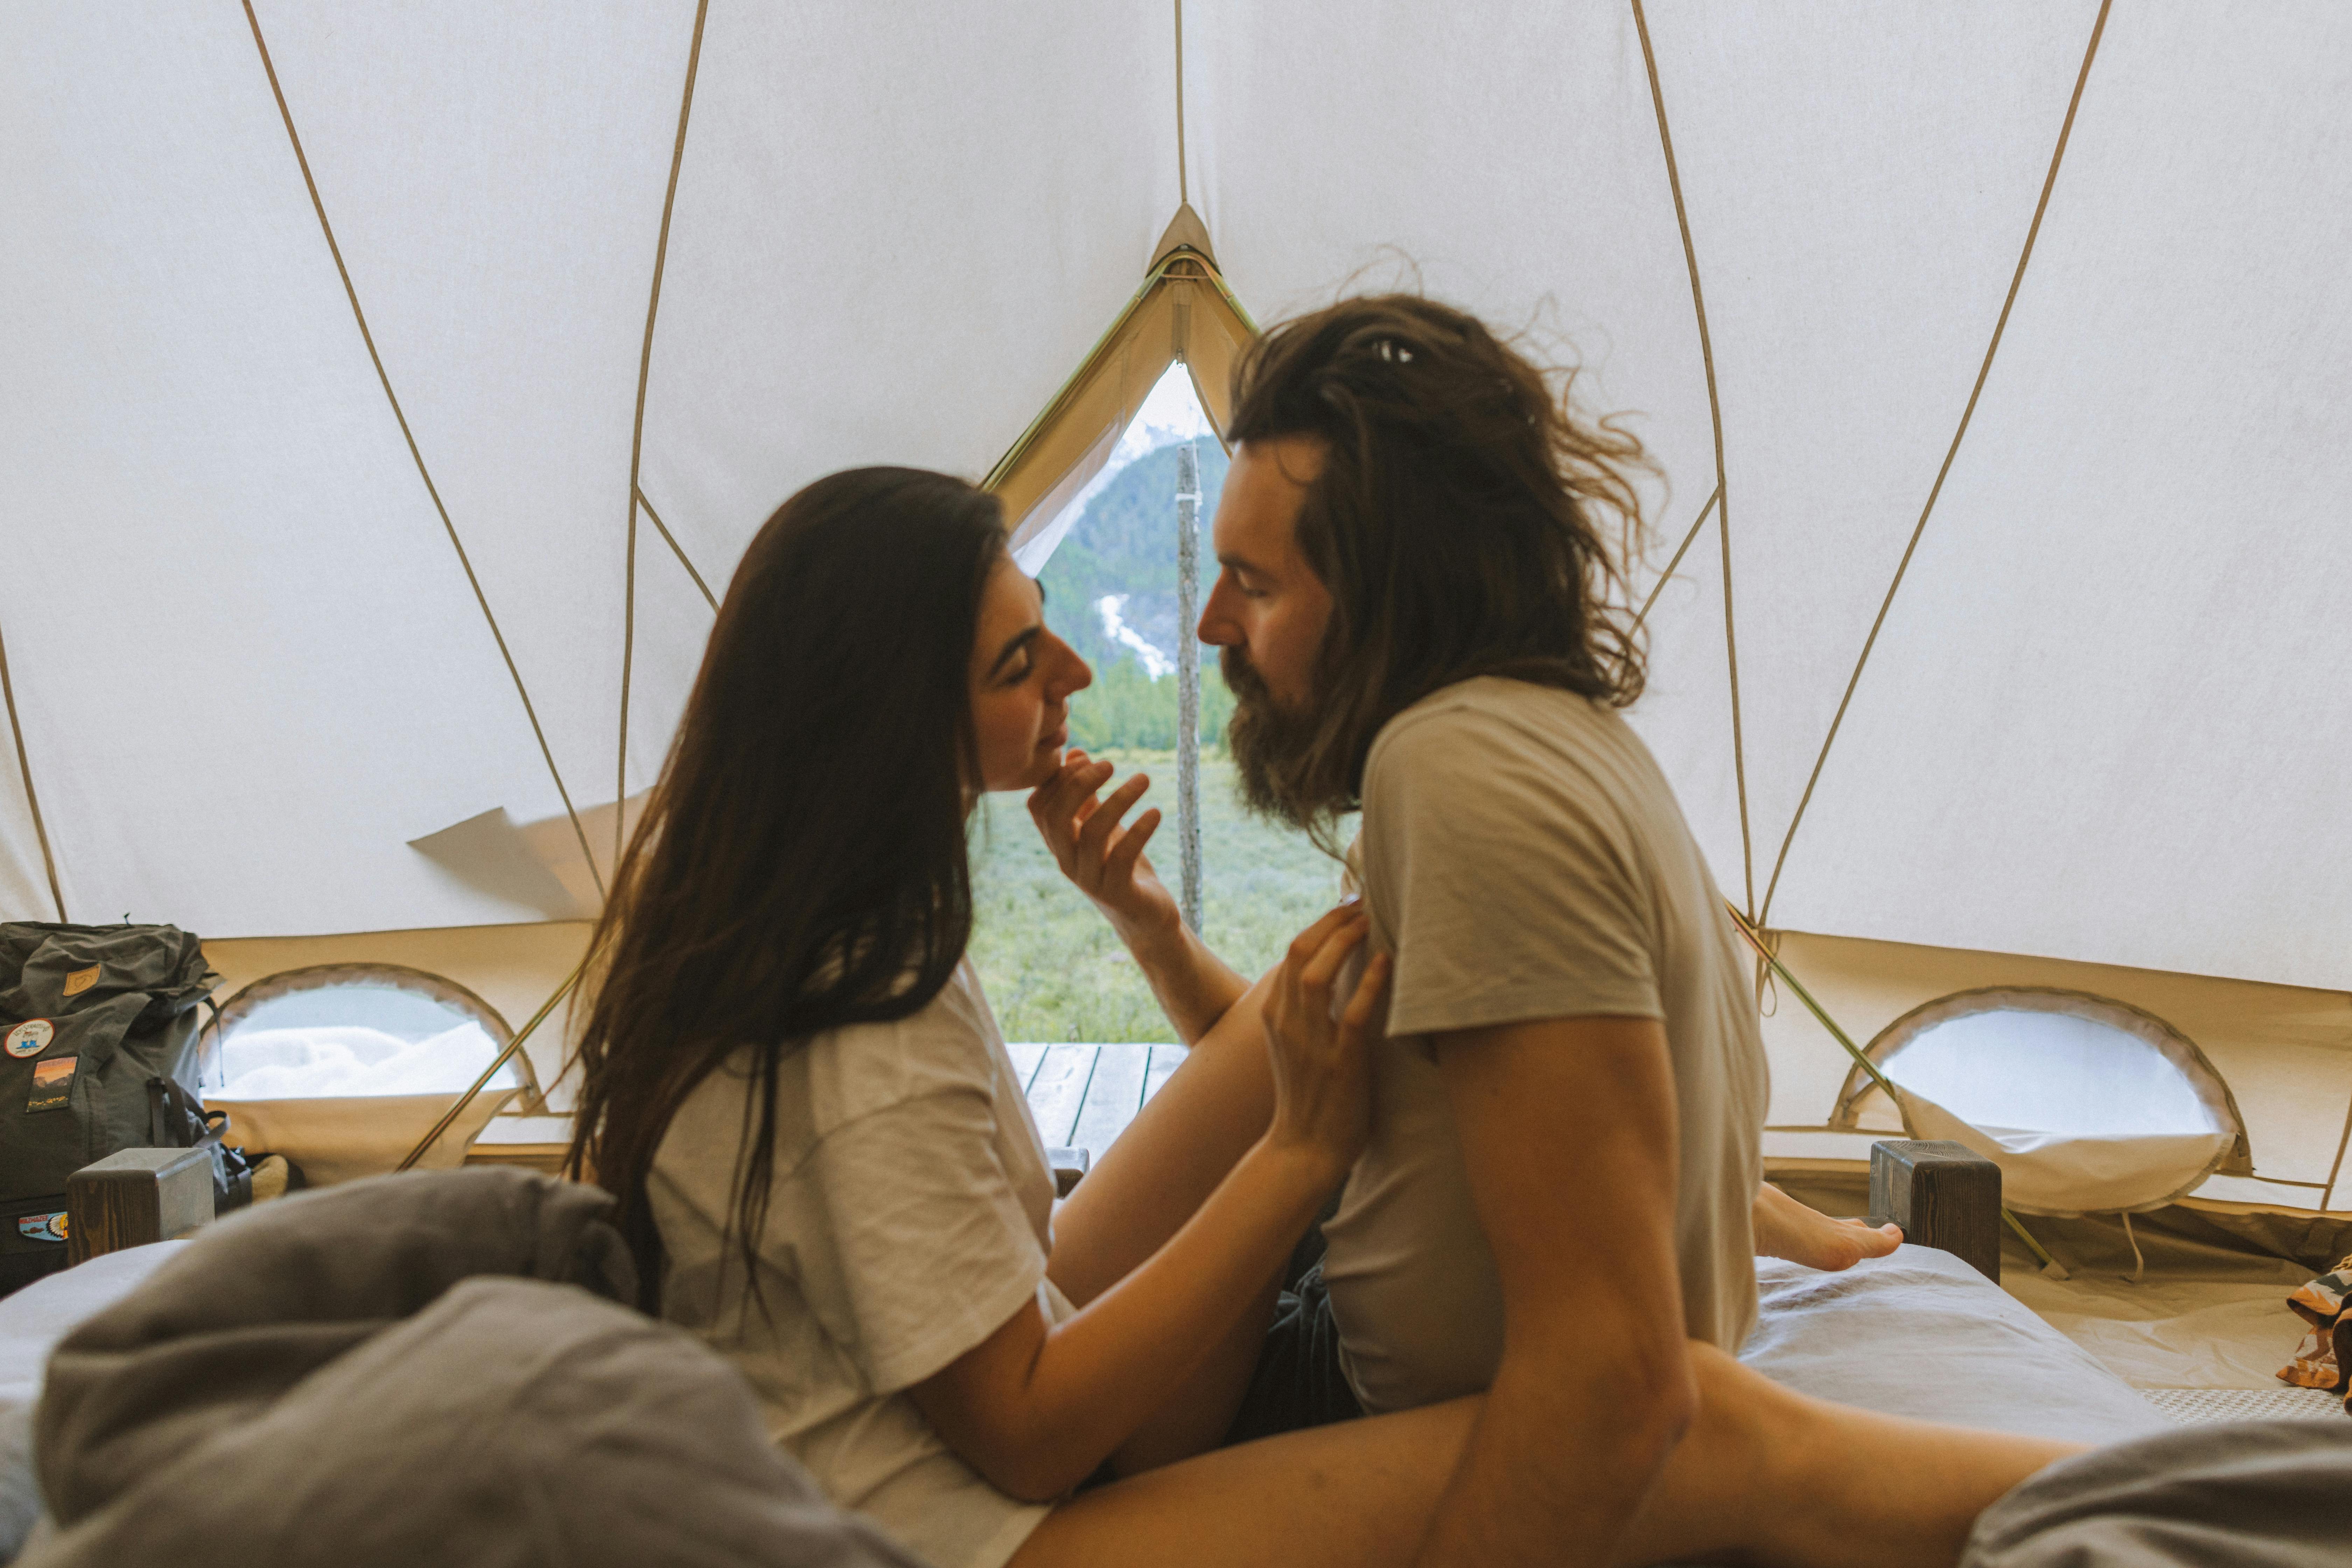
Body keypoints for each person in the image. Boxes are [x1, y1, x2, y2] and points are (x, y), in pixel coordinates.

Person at [567, 465, 2074, 1568]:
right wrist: (1299, 1154)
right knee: (1702, 1425)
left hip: (967, 1398)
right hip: (963, 1528)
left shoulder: (837, 921)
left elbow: (1015, 1292)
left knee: (1325, 992)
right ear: (889, 714)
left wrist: (1157, 939)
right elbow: (1025, 1432)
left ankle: (1754, 1211)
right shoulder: (855, 1023)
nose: (1081, 673)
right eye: (1023, 661)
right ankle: (2167, 1494)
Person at [1021, 292, 1952, 1559]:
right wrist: (1151, 929)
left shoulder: (1459, 775)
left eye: (1252, 583)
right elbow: (1331, 1069)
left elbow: (1612, 1383)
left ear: (1388, 593)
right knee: (1321, 995)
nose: (1209, 626)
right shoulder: (1541, 739)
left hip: (1367, 1408)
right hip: (1356, 1313)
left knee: (1040, 1393)